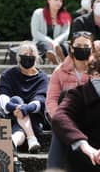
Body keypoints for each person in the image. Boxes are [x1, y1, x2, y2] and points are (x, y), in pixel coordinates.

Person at [46, 31, 94, 169]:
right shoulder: (59, 71)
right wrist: (60, 120)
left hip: (91, 117)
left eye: (86, 46)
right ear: (71, 48)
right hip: (66, 116)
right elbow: (51, 100)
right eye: (78, 45)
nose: (82, 48)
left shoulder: (97, 69)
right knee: (65, 96)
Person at [52, 51, 100, 172]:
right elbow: (60, 117)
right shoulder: (78, 95)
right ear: (94, 74)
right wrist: (84, 145)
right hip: (86, 160)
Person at [0, 41, 48, 153]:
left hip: (34, 117)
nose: (28, 58)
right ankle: (31, 139)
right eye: (25, 55)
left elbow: (40, 100)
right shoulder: (8, 74)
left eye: (31, 55)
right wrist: (15, 107)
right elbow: (3, 97)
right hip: (11, 116)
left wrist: (25, 109)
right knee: (16, 100)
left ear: (36, 58)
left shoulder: (42, 77)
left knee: (20, 112)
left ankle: (13, 142)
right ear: (18, 57)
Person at [31, 0, 71, 65]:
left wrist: (55, 42)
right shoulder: (38, 13)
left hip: (58, 43)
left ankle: (64, 61)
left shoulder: (65, 16)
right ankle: (53, 59)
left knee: (65, 46)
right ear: (49, 0)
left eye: (60, 0)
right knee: (44, 45)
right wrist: (50, 41)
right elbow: (35, 33)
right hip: (41, 42)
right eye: (56, 0)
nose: (58, 3)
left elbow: (65, 34)